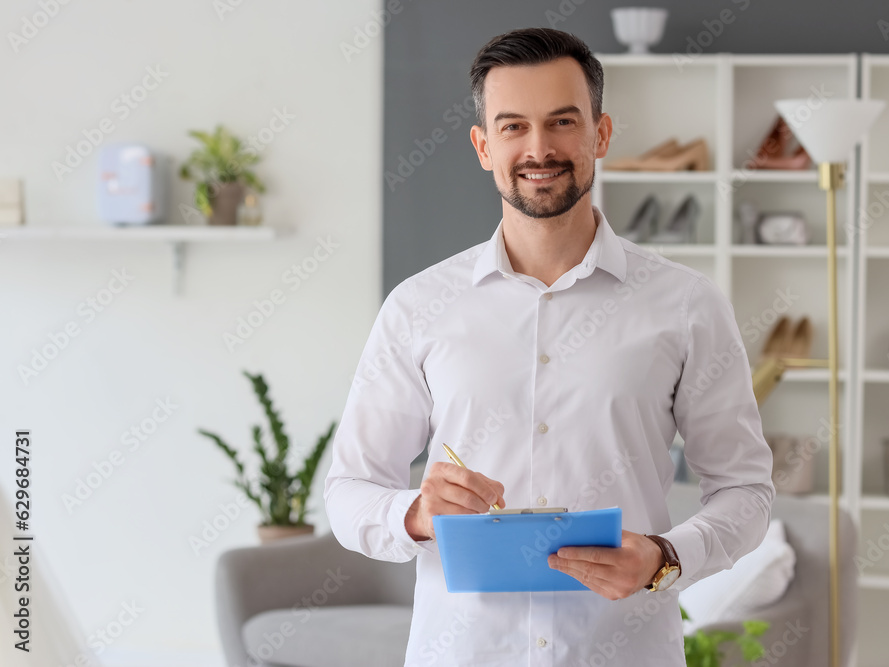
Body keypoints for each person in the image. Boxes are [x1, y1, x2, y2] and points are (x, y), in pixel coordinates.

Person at [324, 27, 774, 667]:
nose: (539, 148)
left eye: (562, 121)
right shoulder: (417, 306)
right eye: (513, 127)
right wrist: (418, 514)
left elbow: (746, 492)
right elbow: (349, 492)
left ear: (601, 134)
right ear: (483, 146)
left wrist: (667, 557)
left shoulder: (687, 305)